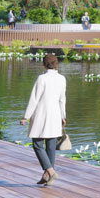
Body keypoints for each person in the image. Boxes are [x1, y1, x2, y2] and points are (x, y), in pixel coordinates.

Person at [22, 53, 68, 186]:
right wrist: (63, 116)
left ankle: (50, 171)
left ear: (44, 64)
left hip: (41, 114)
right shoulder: (62, 79)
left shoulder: (42, 78)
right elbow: (62, 99)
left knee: (37, 144)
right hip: (56, 114)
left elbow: (34, 99)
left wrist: (26, 116)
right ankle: (47, 176)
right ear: (56, 64)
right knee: (51, 146)